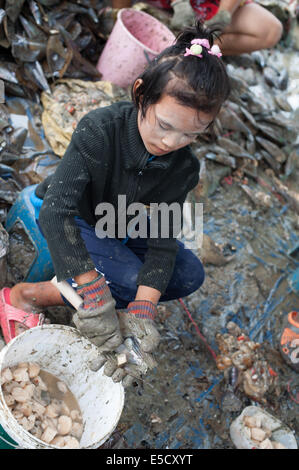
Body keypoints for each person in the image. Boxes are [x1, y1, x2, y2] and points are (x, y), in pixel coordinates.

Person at [0, 22, 230, 387]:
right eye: (165, 125)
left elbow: (163, 236)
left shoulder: (184, 167)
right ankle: (25, 294)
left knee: (189, 274)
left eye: (191, 134)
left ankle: (114, 303)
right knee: (121, 281)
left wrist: (142, 311)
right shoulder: (100, 129)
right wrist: (94, 294)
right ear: (141, 94)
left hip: (121, 222)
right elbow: (55, 211)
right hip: (75, 215)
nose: (172, 141)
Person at [111, 0, 283, 56]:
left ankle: (202, 50)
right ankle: (114, 22)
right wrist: (179, 2)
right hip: (162, 5)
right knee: (119, 15)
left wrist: (221, 18)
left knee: (270, 30)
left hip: (207, 6)